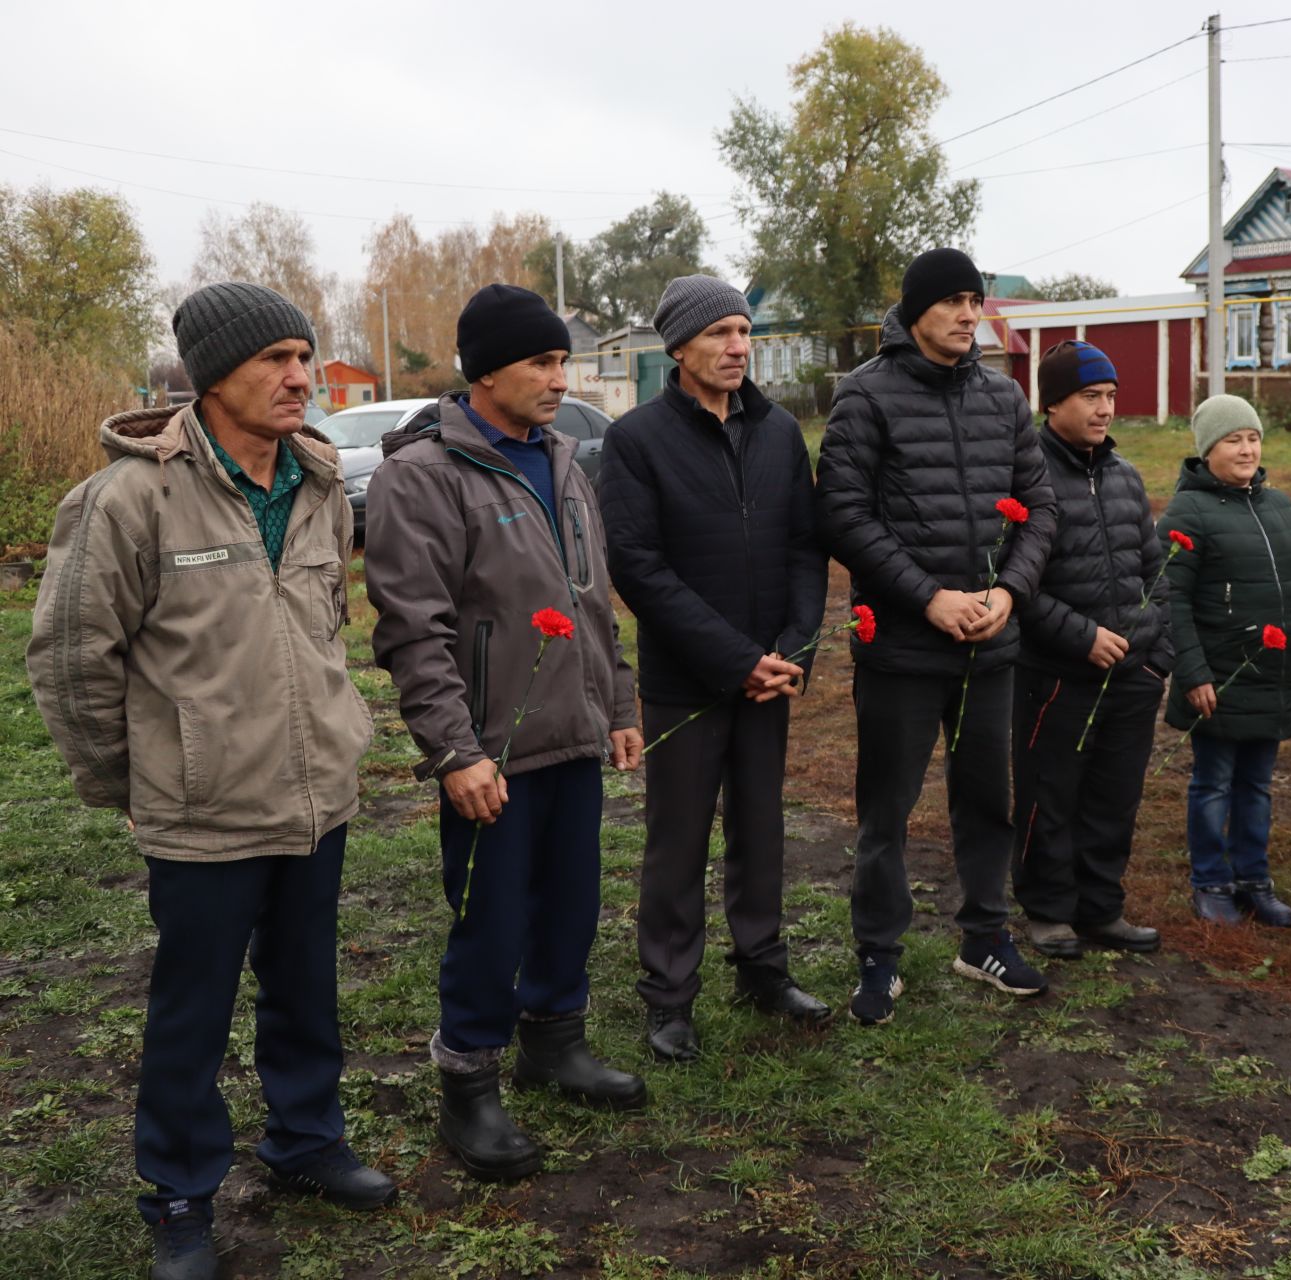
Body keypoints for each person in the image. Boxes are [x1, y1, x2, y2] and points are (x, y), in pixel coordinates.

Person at [27, 283, 392, 1280]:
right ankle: (182, 1189)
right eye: (275, 358)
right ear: (211, 372)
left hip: (315, 793)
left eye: (305, 357)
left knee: (307, 983)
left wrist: (337, 731)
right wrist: (127, 779)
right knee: (192, 1008)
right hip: (202, 809)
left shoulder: (319, 484)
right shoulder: (129, 498)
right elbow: (71, 655)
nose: (300, 378)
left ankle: (307, 1137)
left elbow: (320, 626)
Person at [365, 284, 647, 1183]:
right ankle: (468, 1081)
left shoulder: (563, 459)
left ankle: (554, 1041)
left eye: (564, 361)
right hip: (491, 746)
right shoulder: (424, 474)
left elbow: (593, 600)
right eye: (543, 361)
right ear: (486, 370)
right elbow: (416, 627)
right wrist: (455, 751)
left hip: (573, 728)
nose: (561, 379)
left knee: (571, 901)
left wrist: (622, 705)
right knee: (490, 919)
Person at [815, 247, 1059, 1025]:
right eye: (952, 300)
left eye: (975, 300)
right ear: (914, 310)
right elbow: (844, 517)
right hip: (903, 649)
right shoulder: (865, 398)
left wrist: (1007, 591)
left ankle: (984, 936)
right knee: (886, 811)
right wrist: (929, 599)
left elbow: (1040, 508)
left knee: (989, 801)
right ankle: (879, 956)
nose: (967, 313)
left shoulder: (1004, 399)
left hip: (988, 644)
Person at [597, 276, 831, 1063]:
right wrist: (735, 660)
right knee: (678, 840)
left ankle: (762, 969)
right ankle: (669, 997)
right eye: (722, 333)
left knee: (761, 830)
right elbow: (638, 565)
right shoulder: (637, 441)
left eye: (745, 331)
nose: (738, 346)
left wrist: (792, 651)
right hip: (689, 683)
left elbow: (806, 546)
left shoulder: (777, 433)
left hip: (771, 674)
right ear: (679, 348)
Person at [1010, 341, 1171, 959]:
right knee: (1050, 794)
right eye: (1090, 397)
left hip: (1131, 676)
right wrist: (1081, 637)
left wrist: (1158, 655)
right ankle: (1049, 910)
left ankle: (1102, 908)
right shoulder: (1027, 477)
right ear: (1052, 403)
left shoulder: (1126, 477)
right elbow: (1013, 580)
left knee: (1114, 796)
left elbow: (1157, 572)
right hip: (1056, 674)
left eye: (1110, 397)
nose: (1105, 410)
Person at [1160, 394, 1291, 928]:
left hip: (1271, 673)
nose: (1247, 448)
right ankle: (1211, 882)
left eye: (1252, 437)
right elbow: (1172, 600)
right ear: (1208, 449)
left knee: (1257, 784)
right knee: (1212, 782)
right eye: (1234, 439)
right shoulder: (1188, 511)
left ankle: (1254, 881)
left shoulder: (1279, 507)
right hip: (1219, 676)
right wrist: (1192, 673)